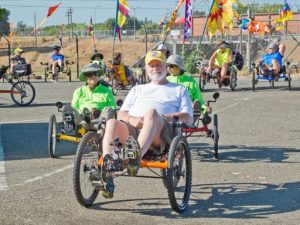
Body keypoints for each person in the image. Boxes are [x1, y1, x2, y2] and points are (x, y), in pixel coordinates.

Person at [100, 50, 193, 198]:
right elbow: (122, 113)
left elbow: (188, 117)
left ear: (166, 67)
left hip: (162, 135)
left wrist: (159, 117)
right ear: (146, 69)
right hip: (135, 129)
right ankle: (106, 169)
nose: (155, 68)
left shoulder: (179, 90)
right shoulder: (137, 89)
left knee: (151, 113)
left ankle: (135, 158)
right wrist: (133, 120)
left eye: (159, 64)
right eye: (152, 65)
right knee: (112, 122)